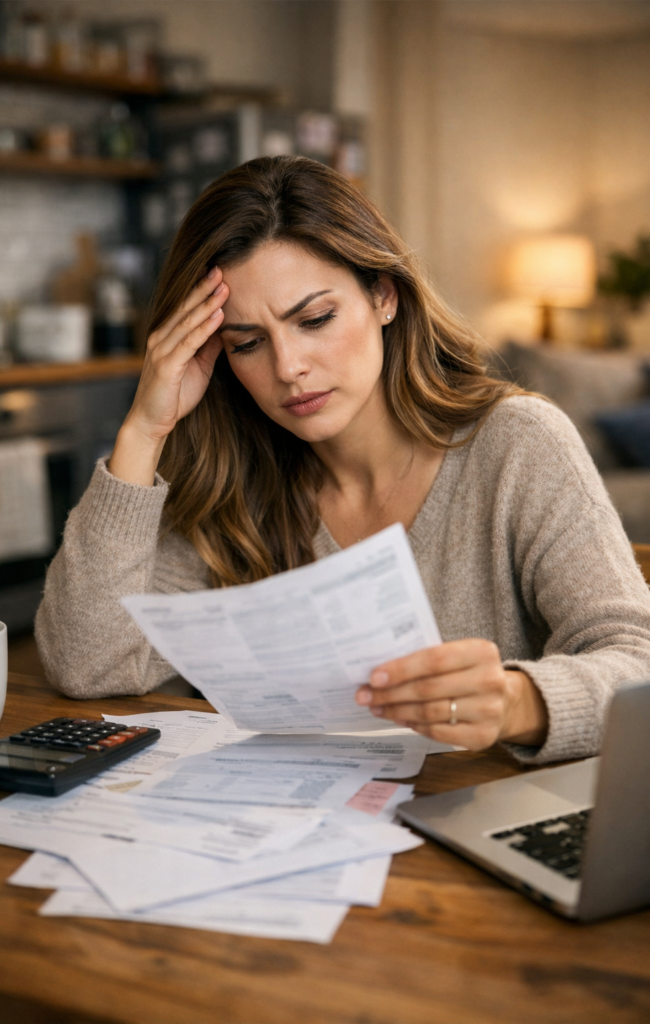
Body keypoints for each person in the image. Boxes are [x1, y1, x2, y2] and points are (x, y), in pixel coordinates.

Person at [35, 156, 650, 765]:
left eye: (315, 319)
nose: (287, 368)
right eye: (247, 343)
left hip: (477, 813)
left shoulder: (518, 444)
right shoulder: (234, 485)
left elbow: (636, 661)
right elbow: (88, 666)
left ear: (383, 296)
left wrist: (516, 702)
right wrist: (143, 431)